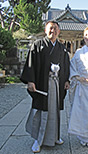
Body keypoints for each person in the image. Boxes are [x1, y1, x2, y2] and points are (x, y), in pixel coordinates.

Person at [20, 21, 70, 153]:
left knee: (54, 110)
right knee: (42, 110)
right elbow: (30, 64)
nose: (52, 31)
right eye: (50, 28)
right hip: (42, 83)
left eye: (55, 29)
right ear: (45, 30)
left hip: (57, 83)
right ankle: (38, 139)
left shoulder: (62, 47)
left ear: (59, 31)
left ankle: (55, 136)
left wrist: (66, 80)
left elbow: (66, 65)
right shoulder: (38, 45)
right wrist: (30, 81)